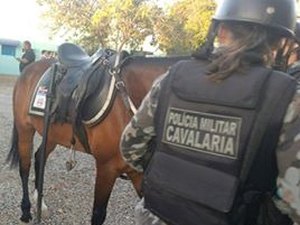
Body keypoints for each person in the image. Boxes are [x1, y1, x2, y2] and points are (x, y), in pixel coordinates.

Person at [120, 0, 299, 224]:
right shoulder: (288, 97)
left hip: (158, 215)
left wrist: (169, 178)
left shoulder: (171, 78)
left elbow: (130, 148)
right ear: (282, 42)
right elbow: (295, 200)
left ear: (221, 31)